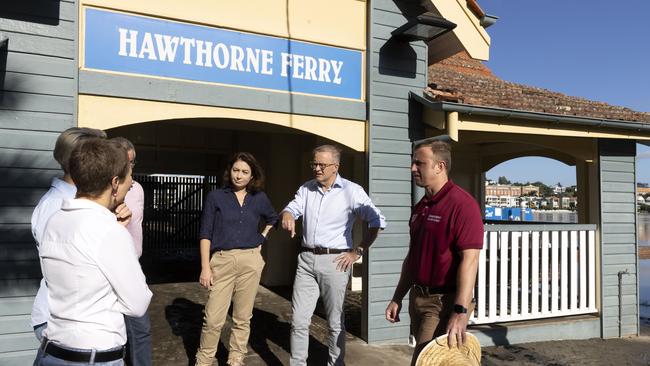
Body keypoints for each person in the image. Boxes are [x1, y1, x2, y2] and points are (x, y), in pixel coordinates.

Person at [35, 138, 152, 365]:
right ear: (115, 183)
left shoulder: (55, 220)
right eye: (130, 177)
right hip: (93, 355)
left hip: (53, 351)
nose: (132, 183)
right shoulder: (108, 231)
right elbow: (138, 304)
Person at [281, 144, 386, 366]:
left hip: (335, 262)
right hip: (306, 260)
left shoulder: (352, 191)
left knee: (335, 322)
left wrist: (358, 250)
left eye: (322, 164)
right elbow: (292, 207)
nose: (317, 168)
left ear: (335, 167)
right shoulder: (306, 189)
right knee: (299, 320)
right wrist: (288, 215)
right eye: (314, 163)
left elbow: (377, 221)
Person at [384, 140, 484, 365]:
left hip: (442, 302)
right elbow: (413, 258)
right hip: (417, 299)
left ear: (440, 166)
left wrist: (460, 310)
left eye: (419, 163)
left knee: (424, 362)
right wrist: (398, 296)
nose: (413, 168)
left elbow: (471, 259)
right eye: (413, 163)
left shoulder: (462, 204)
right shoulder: (421, 207)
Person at [195, 152, 278, 366]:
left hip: (250, 261)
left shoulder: (259, 198)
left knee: (242, 317)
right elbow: (205, 233)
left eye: (244, 172)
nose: (239, 176)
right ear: (229, 171)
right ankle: (204, 360)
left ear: (252, 176)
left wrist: (261, 238)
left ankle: (235, 358)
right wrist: (205, 267)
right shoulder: (216, 196)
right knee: (213, 319)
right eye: (235, 170)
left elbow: (273, 218)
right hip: (221, 261)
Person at [111, 137, 150, 366]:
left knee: (141, 330)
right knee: (114, 333)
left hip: (133, 266)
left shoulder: (137, 190)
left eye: (133, 163)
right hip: (107, 268)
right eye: (125, 163)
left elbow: (138, 226)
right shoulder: (99, 188)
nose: (130, 167)